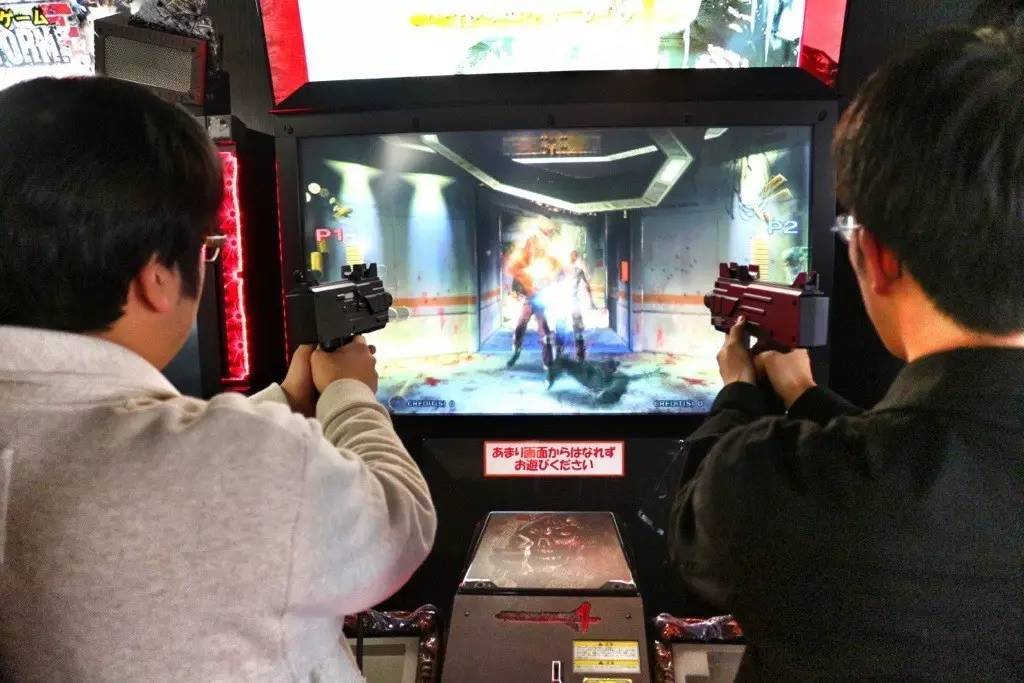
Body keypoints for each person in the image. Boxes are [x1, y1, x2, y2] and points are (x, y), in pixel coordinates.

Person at [0, 78, 436, 682]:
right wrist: (350, 394)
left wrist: (287, 399)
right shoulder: (244, 460)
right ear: (157, 275)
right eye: (207, 248)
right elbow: (398, 529)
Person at [668, 25, 1023, 680]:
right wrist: (805, 395)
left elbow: (693, 533)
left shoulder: (777, 488)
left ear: (875, 255)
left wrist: (739, 391)